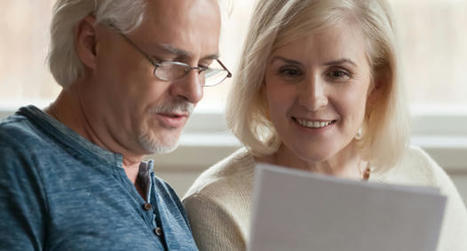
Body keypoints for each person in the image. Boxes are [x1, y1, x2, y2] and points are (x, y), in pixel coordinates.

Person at [182, 0, 467, 250]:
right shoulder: (217, 207)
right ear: (261, 80)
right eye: (290, 71)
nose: (313, 99)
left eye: (338, 73)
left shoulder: (422, 177)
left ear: (377, 85)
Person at [0, 0, 231, 250]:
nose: (194, 93)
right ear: (91, 44)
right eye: (169, 62)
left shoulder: (166, 200)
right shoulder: (15, 163)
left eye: (204, 68)